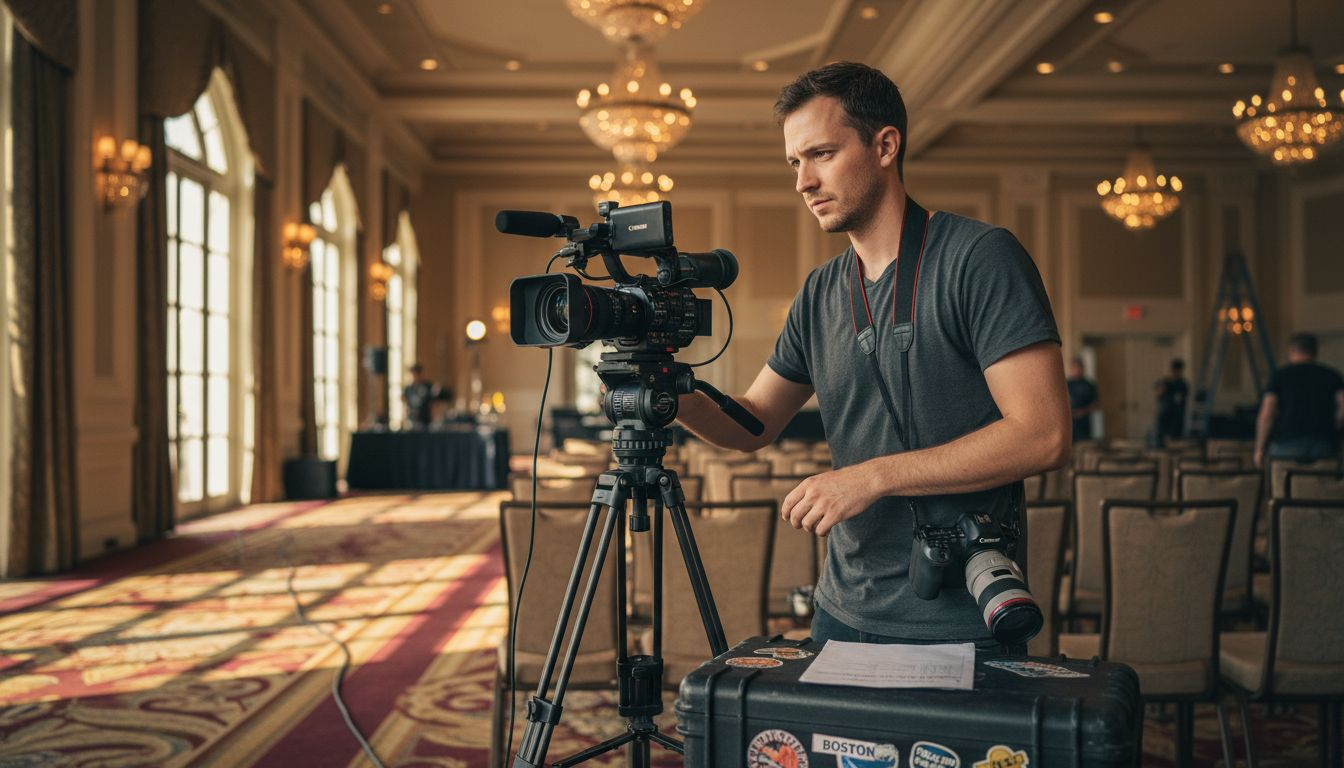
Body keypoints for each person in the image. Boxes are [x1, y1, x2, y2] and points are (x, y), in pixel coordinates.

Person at [673, 62, 1070, 651]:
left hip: (960, 611)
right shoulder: (820, 290)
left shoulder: (980, 258)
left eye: (822, 155)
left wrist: (874, 476)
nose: (803, 181)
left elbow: (1043, 436)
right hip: (843, 605)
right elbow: (755, 421)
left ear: (885, 146)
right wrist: (663, 391)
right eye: (794, 163)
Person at [1254, 333, 1344, 469]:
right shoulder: (1332, 375)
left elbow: (1267, 414)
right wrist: (1336, 424)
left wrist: (1259, 448)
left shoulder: (1280, 376)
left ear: (1291, 350)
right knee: (1322, 487)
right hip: (1324, 441)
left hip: (1287, 440)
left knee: (1283, 486)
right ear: (1315, 351)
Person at [1153, 358, 1188, 445]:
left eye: (1177, 370)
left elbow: (1180, 400)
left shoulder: (1182, 384)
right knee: (1161, 438)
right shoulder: (1165, 381)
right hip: (1164, 413)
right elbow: (1158, 393)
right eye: (1174, 370)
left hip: (1176, 415)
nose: (1175, 372)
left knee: (1174, 439)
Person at [403, 363, 449, 428]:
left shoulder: (428, 386)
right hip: (412, 419)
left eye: (418, 373)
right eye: (414, 374)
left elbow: (435, 401)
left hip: (426, 420)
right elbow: (406, 403)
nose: (416, 376)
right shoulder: (408, 389)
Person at [1066, 356, 1100, 442]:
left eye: (1078, 367)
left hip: (1084, 425)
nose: (1076, 369)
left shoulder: (1089, 385)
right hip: (1069, 425)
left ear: (1083, 368)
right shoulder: (1066, 384)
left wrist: (1083, 411)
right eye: (1074, 367)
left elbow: (1097, 404)